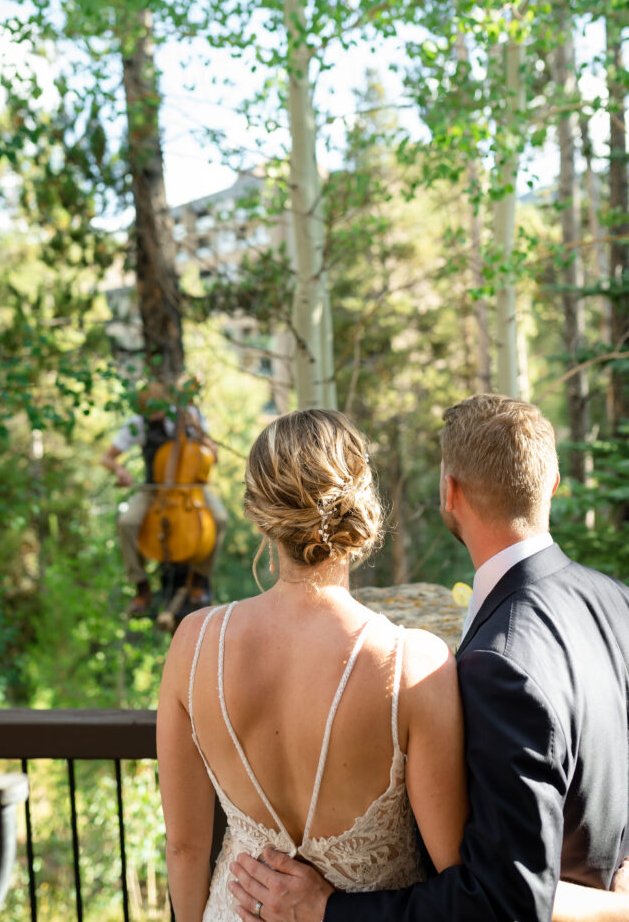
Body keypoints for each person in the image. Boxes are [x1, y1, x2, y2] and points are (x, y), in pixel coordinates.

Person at [229, 394, 629, 922]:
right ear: (552, 485)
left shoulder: (502, 663)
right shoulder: (614, 599)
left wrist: (325, 911)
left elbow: (501, 902)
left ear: (449, 492)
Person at [157, 409, 469, 921]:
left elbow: (185, 849)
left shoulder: (193, 644)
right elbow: (456, 873)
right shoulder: (413, 664)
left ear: (259, 513)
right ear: (359, 503)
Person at [101, 379, 228, 615]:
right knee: (127, 523)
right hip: (155, 491)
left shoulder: (189, 414)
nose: (153, 416)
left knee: (219, 519)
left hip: (191, 489)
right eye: (148, 411)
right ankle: (141, 585)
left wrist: (198, 432)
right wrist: (120, 470)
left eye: (157, 409)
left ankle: (200, 578)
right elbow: (107, 458)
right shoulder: (136, 424)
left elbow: (215, 455)